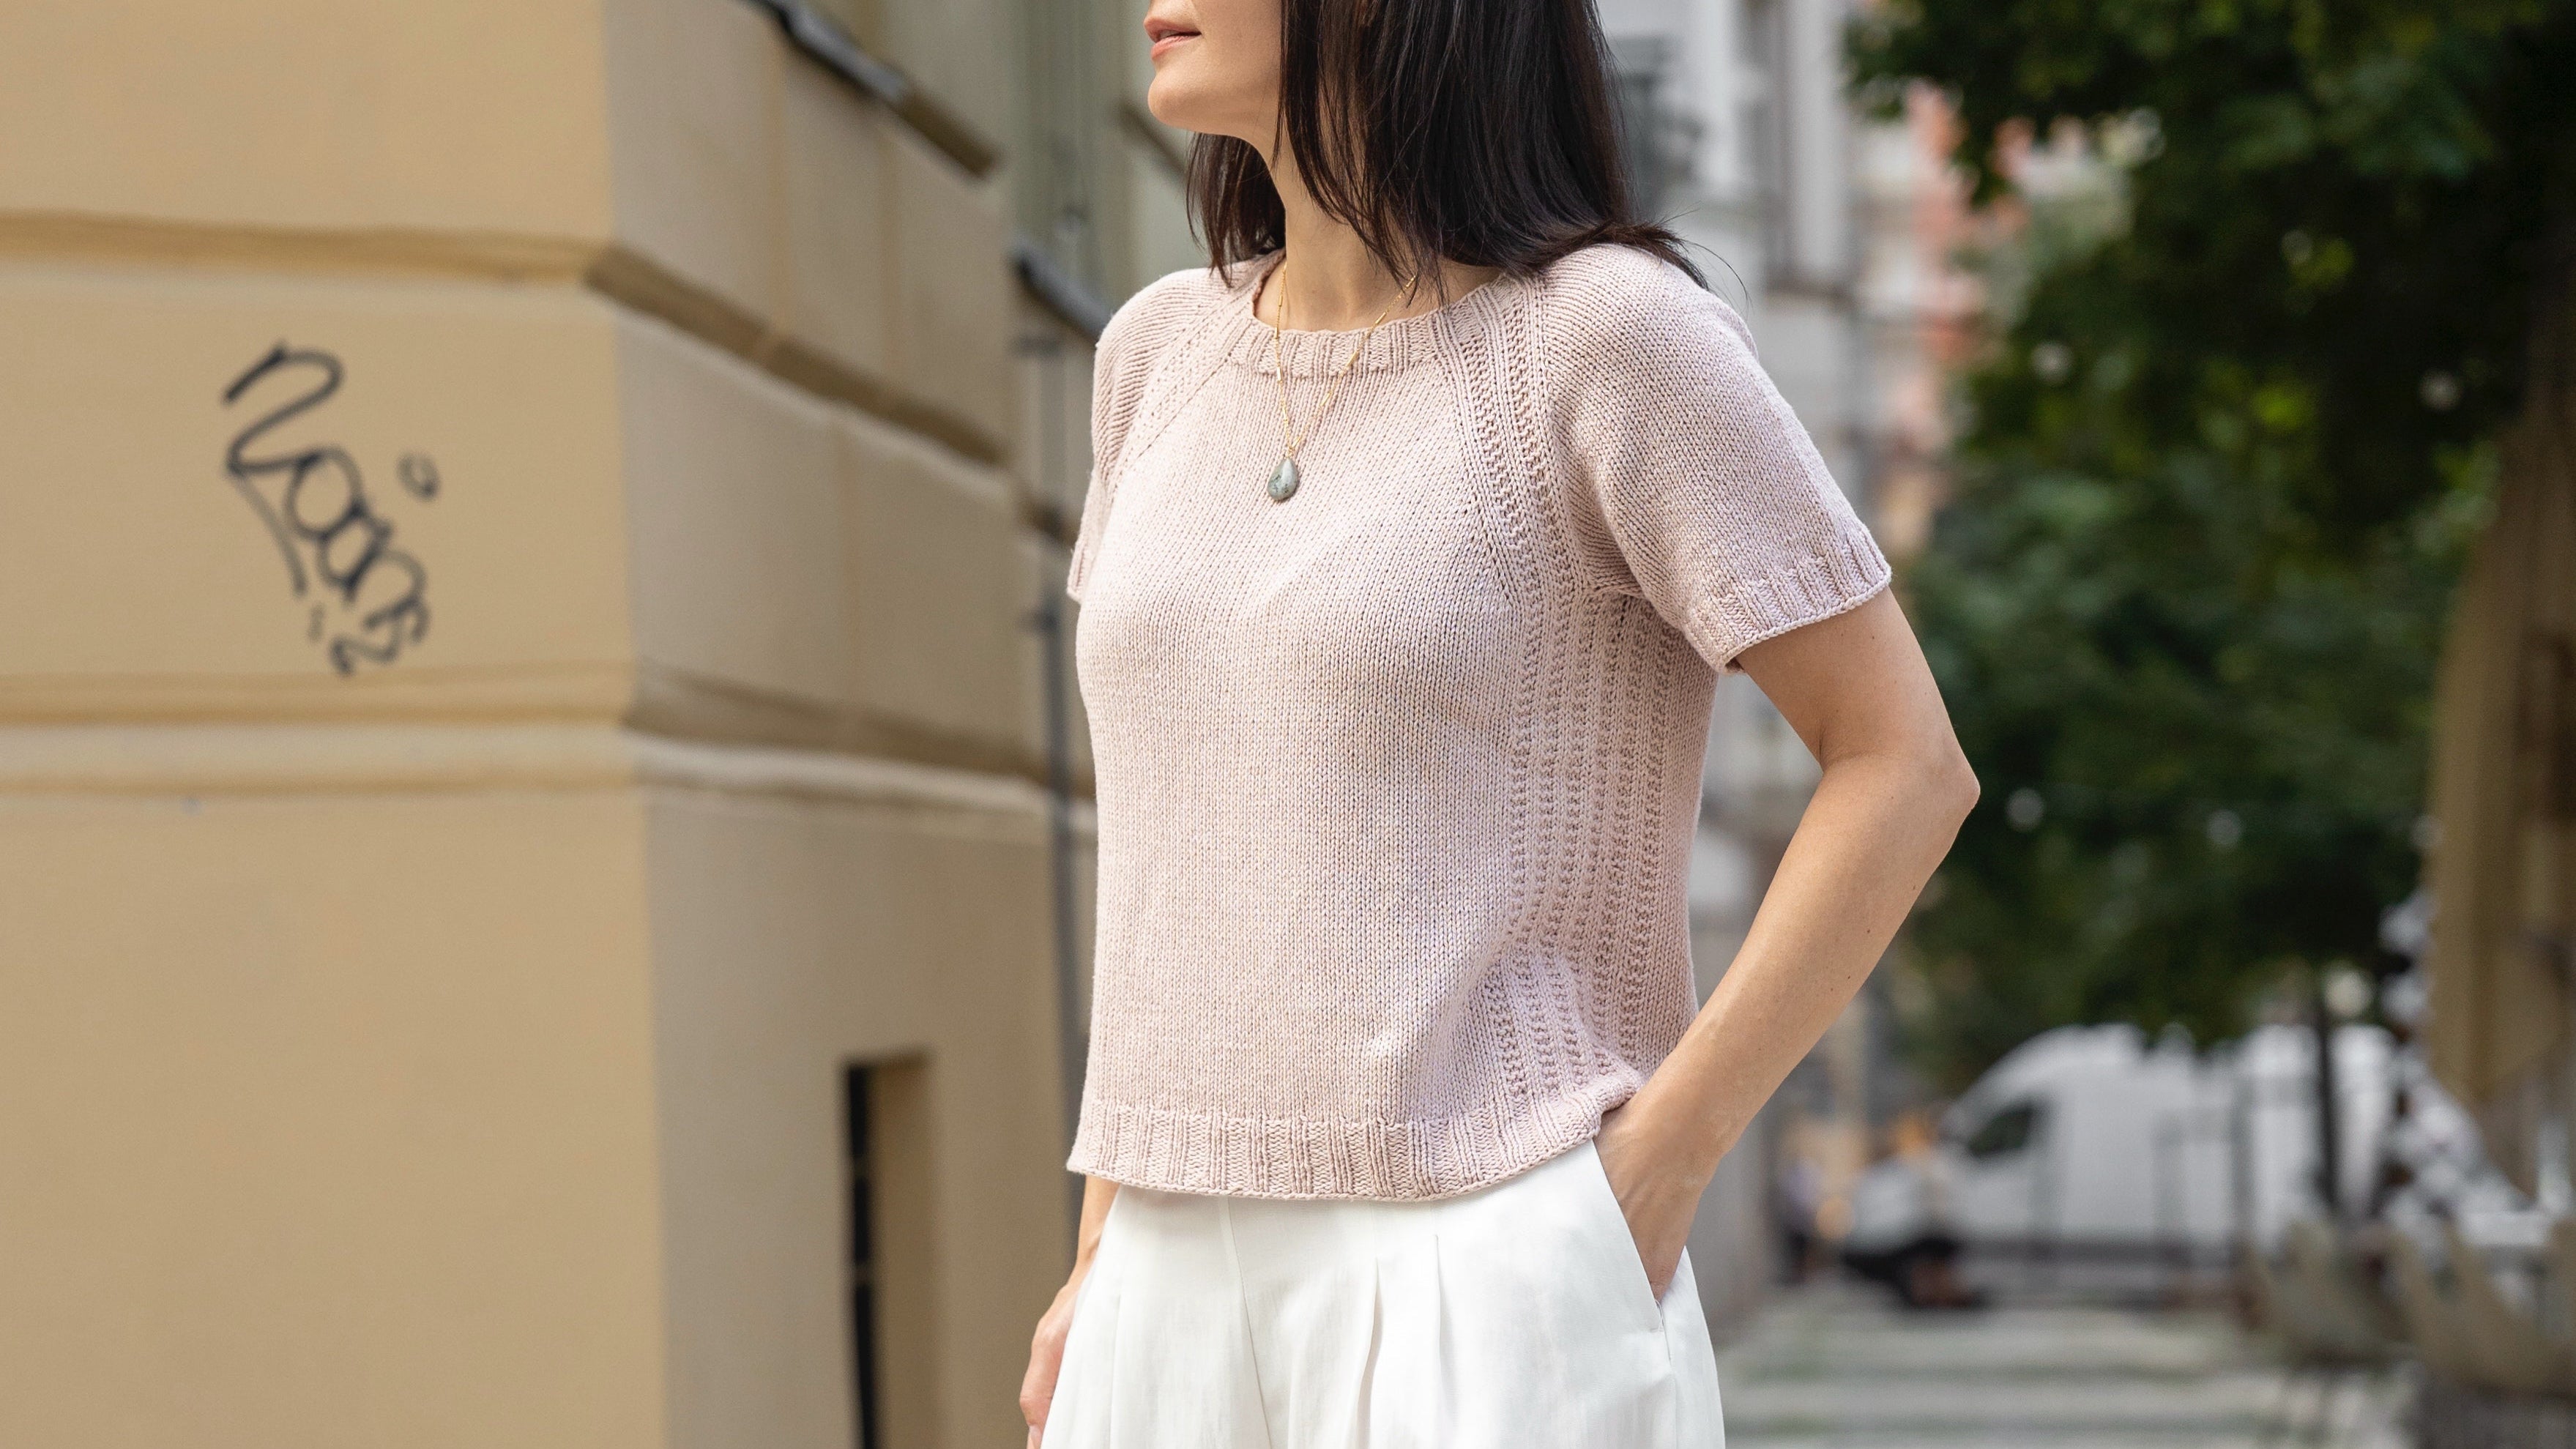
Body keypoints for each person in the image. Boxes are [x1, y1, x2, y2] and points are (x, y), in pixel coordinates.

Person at [1019, 0, 1980, 1442]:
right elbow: (1176, 839)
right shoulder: (1153, 355)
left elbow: (1903, 761)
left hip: (1485, 1259)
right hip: (1164, 1266)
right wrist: (1101, 1244)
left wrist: (1653, 1175)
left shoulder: (1605, 339)